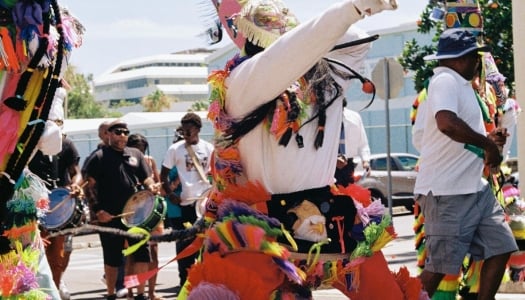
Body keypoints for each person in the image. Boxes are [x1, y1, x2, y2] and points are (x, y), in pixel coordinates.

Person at [178, 1, 425, 299]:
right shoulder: (241, 83)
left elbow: (352, 40)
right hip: (260, 232)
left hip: (332, 219)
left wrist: (345, 17)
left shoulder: (326, 78)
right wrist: (350, 9)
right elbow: (284, 58)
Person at [414, 28, 518, 299]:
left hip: (474, 189)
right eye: (475, 56)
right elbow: (446, 123)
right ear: (461, 58)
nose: (478, 63)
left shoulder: (461, 86)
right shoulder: (445, 80)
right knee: (439, 268)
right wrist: (486, 145)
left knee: (501, 246)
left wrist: (488, 138)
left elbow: (458, 134)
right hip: (446, 193)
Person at [83, 119, 157, 300]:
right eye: (118, 132)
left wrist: (152, 186)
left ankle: (140, 295)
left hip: (136, 215)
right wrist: (98, 210)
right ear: (108, 134)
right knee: (112, 258)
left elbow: (146, 178)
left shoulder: (135, 155)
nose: (122, 135)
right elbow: (88, 186)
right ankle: (110, 294)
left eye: (125, 132)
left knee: (141, 255)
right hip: (110, 215)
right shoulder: (99, 157)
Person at [28, 87, 84, 300]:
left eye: (58, 123)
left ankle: (56, 286)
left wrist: (76, 185)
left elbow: (76, 172)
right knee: (33, 253)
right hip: (33, 207)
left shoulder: (67, 144)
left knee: (59, 256)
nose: (55, 127)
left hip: (60, 207)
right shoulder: (30, 144)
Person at [159, 112, 213, 295]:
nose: (186, 134)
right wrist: (170, 193)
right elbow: (163, 174)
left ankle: (205, 286)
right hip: (185, 206)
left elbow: (216, 173)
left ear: (198, 129)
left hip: (205, 204)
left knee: (207, 247)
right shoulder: (175, 149)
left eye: (189, 130)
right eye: (183, 130)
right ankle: (185, 286)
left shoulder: (209, 148)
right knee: (185, 248)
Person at [126, 133, 164, 300]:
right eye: (136, 149)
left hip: (151, 211)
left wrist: (155, 186)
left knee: (154, 253)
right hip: (133, 213)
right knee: (132, 255)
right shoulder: (124, 161)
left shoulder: (149, 161)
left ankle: (151, 292)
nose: (139, 152)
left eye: (142, 149)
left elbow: (157, 181)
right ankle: (131, 292)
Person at [335, 100, 371, 186]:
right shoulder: (323, 118)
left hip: (348, 165)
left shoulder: (354, 117)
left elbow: (362, 142)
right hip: (329, 166)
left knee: (347, 196)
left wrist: (365, 161)